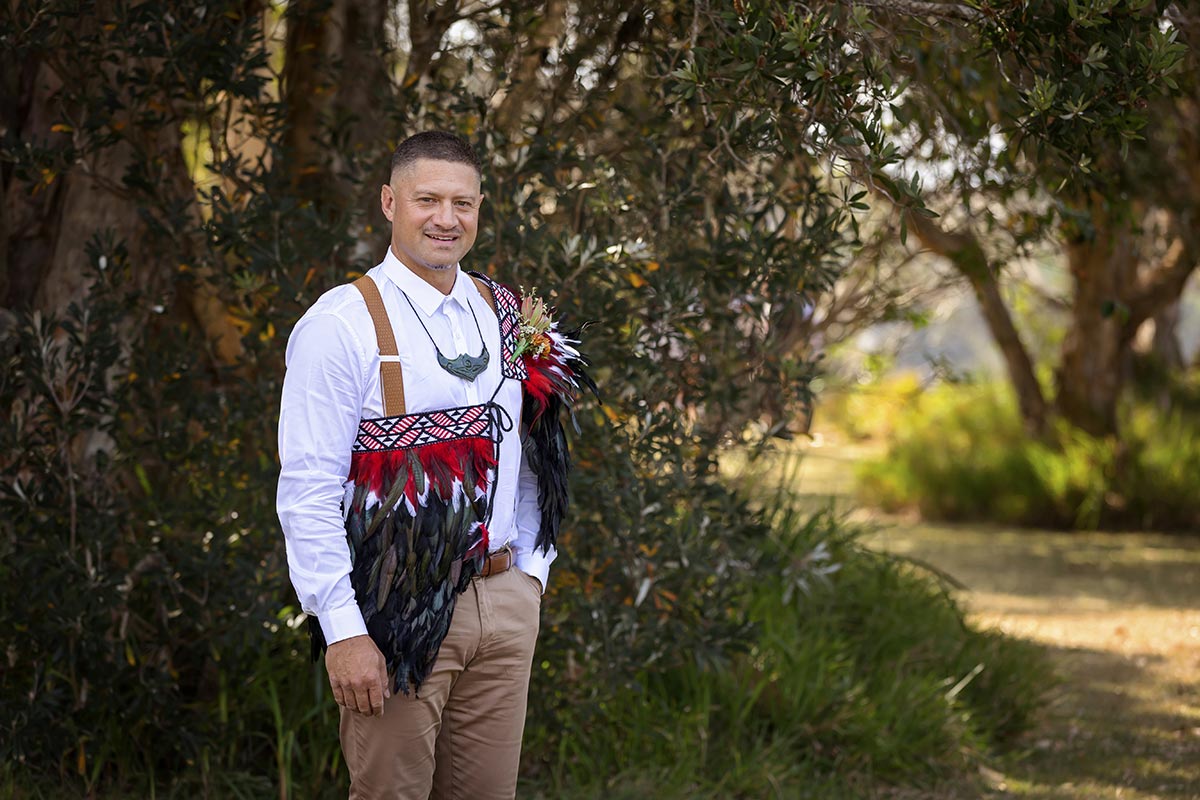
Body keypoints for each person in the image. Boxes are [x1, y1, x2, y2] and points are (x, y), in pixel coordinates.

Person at [277, 131, 588, 799]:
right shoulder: (341, 325)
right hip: (394, 609)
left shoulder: (508, 314)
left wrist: (531, 575)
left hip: (505, 603)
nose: (446, 219)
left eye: (463, 203)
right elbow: (307, 491)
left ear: (480, 209)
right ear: (390, 202)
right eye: (427, 199)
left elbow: (534, 453)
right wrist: (343, 630)